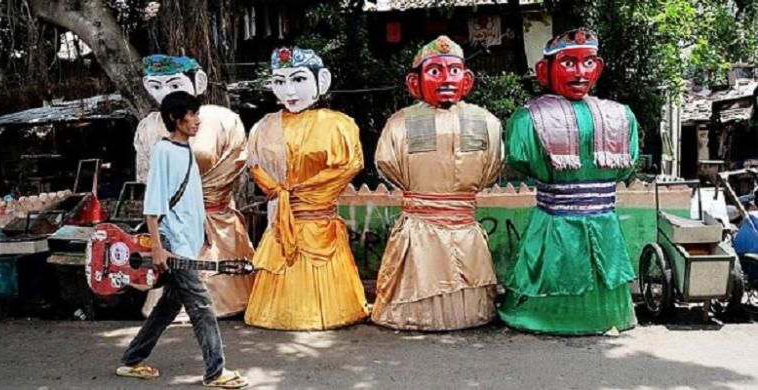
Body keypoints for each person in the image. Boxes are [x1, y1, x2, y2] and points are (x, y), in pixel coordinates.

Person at [498, 28, 639, 335]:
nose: (579, 73)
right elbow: (626, 168)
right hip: (585, 219)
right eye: (568, 63)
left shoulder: (528, 119)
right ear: (544, 71)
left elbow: (522, 160)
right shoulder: (621, 117)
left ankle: (547, 316)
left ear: (598, 68)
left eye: (587, 63)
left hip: (558, 220)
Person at [116, 91, 247, 388]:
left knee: (167, 308)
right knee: (201, 306)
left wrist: (202, 234)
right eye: (192, 114)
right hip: (172, 243)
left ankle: (131, 360)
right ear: (176, 118)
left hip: (185, 243)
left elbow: (189, 200)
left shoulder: (185, 149)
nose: (197, 120)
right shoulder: (163, 152)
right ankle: (216, 372)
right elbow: (153, 205)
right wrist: (159, 248)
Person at [371, 36, 502, 331]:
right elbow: (387, 163)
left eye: (454, 71)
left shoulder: (487, 122)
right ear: (415, 83)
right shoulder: (399, 123)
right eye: (435, 72)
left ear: (467, 80)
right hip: (420, 225)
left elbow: (493, 163)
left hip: (461, 220)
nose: (446, 79)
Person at [243, 46, 369, 330]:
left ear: (321, 81)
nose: (289, 91)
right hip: (282, 219)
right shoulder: (264, 126)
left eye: (298, 80)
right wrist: (278, 191)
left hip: (318, 219)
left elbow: (347, 166)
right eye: (280, 81)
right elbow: (254, 166)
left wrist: (300, 195)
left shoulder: (338, 124)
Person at [135, 54, 253, 318]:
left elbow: (236, 162)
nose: (165, 94)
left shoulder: (222, 119)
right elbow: (148, 181)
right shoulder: (148, 127)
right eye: (156, 86)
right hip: (173, 223)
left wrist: (207, 198)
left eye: (174, 85)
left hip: (215, 217)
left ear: (198, 82)